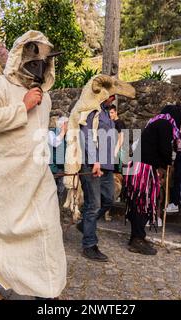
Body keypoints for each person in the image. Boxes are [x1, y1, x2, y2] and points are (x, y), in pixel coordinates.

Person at [0, 31, 67, 300]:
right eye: (34, 58)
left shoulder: (46, 98)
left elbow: (39, 137)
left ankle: (46, 290)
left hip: (33, 179)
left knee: (47, 230)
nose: (40, 66)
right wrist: (22, 106)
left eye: (45, 60)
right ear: (20, 56)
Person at [124, 104, 181, 255]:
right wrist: (168, 163)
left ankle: (137, 237)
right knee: (141, 204)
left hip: (139, 166)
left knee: (139, 203)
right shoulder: (165, 124)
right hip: (143, 169)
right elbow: (164, 149)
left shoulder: (157, 122)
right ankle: (137, 239)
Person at [76, 94, 116, 262]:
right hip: (92, 165)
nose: (113, 98)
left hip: (107, 166)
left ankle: (84, 224)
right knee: (94, 205)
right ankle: (89, 245)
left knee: (109, 199)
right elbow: (86, 135)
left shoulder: (107, 113)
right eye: (110, 95)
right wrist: (94, 160)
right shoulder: (91, 110)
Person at [48, 116, 68, 201]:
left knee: (62, 192)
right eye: (67, 125)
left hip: (63, 168)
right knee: (51, 192)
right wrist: (63, 132)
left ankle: (60, 211)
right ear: (62, 125)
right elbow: (55, 143)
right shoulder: (51, 133)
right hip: (52, 168)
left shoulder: (68, 136)